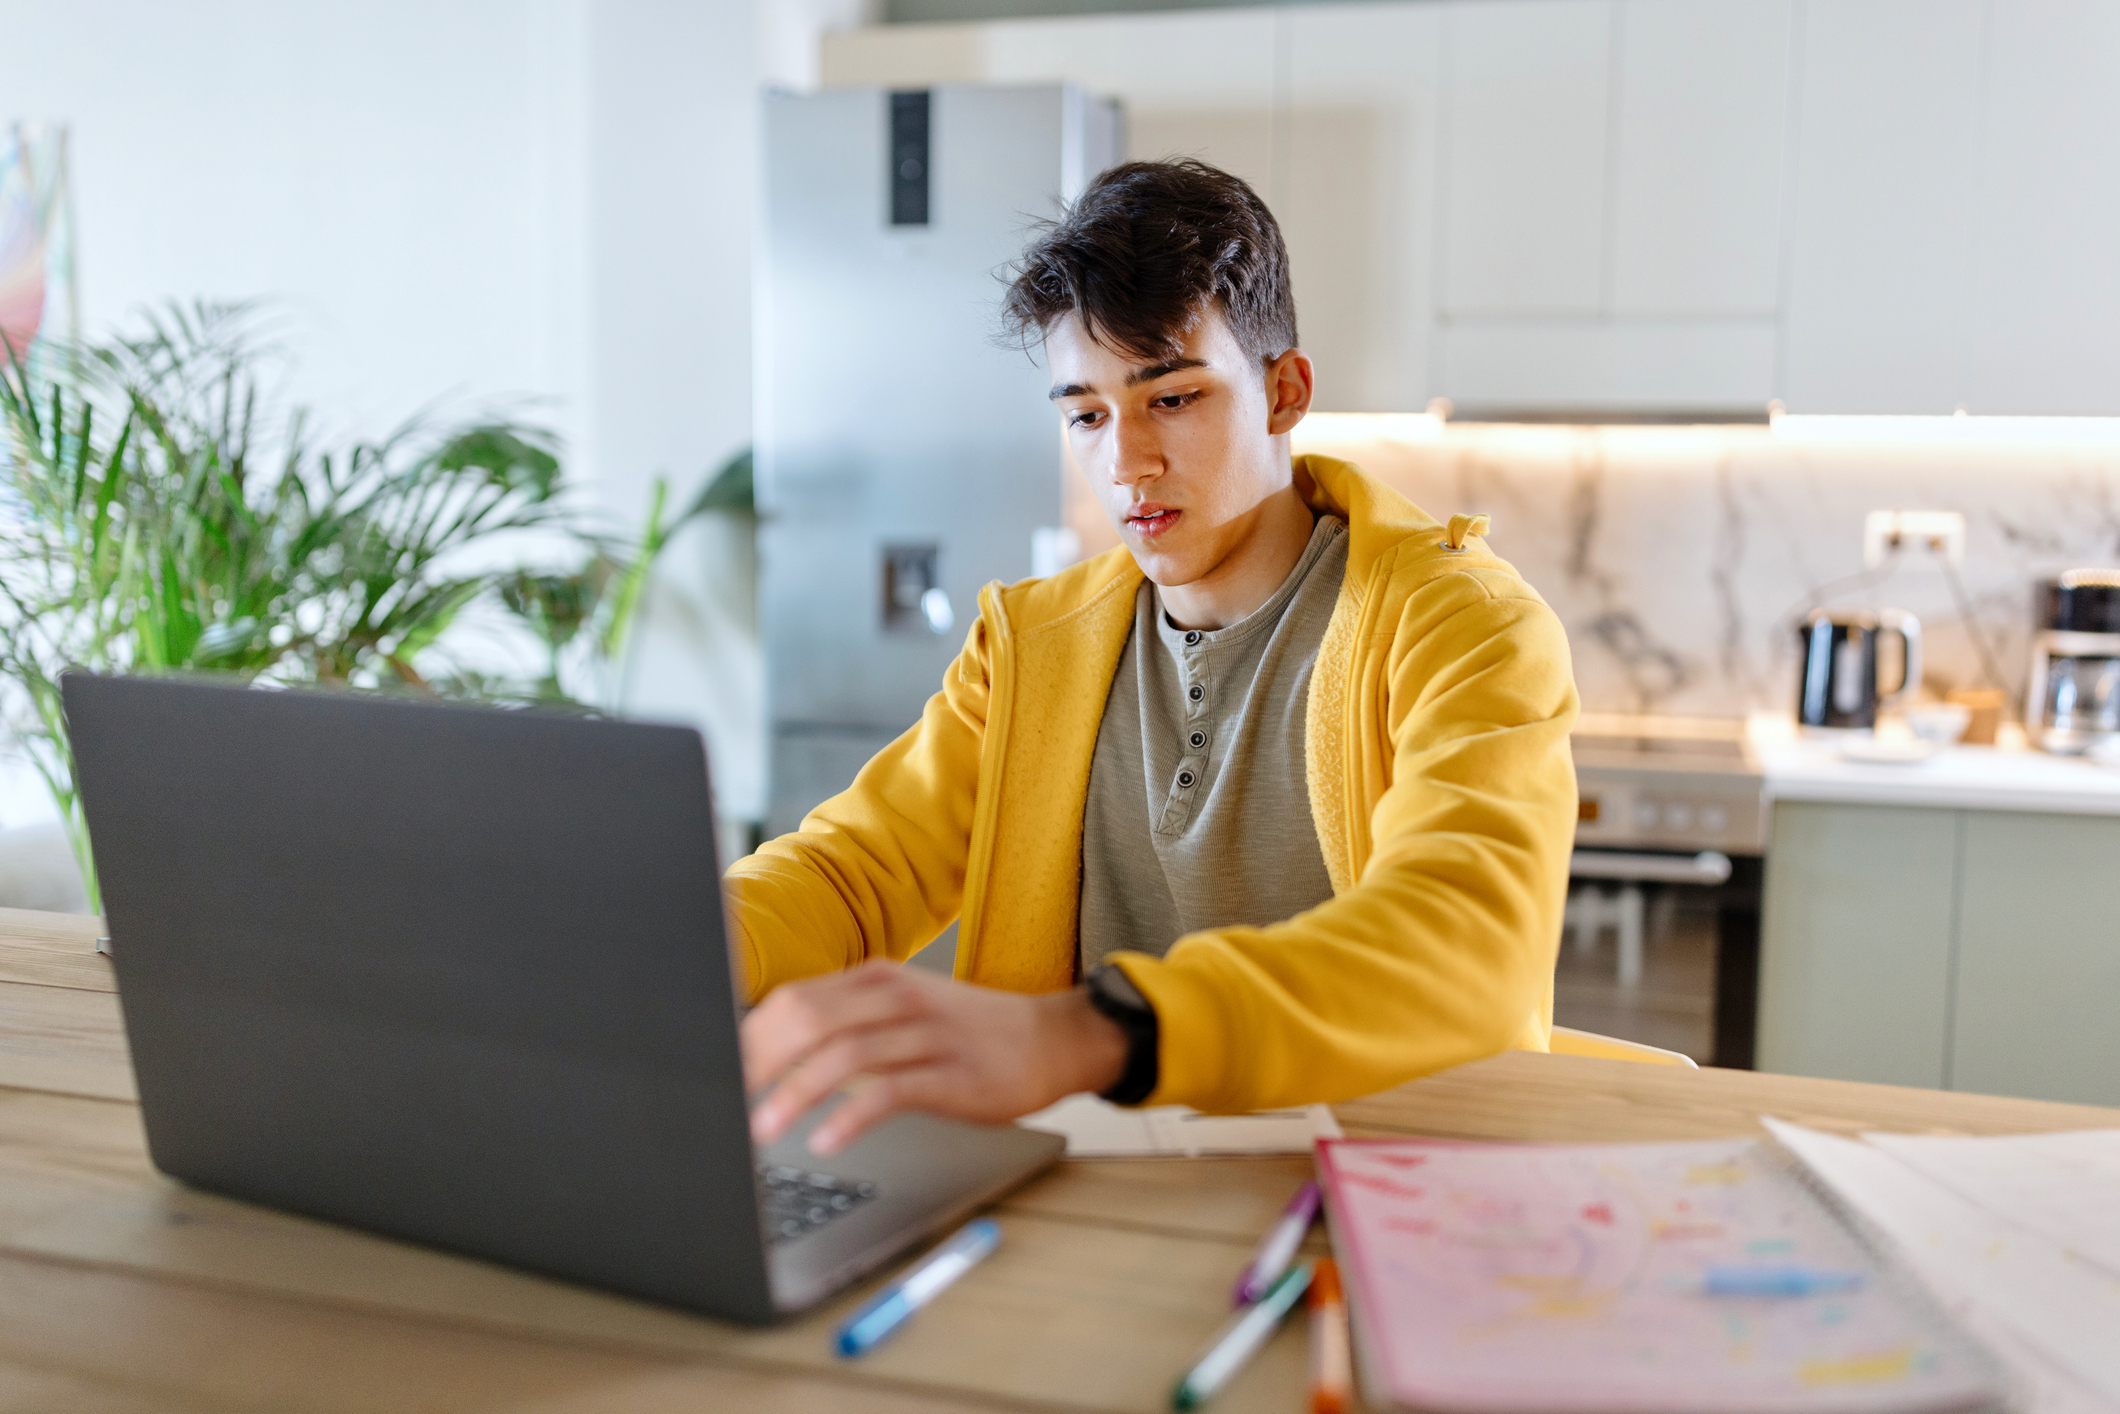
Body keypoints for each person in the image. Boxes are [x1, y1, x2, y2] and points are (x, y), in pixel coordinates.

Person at [733, 159, 1578, 1157]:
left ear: (1283, 391)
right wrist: (658, 948)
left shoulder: (1462, 625)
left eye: (1170, 399)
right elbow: (853, 877)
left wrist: (1083, 1034)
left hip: (1388, 1184)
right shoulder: (1029, 647)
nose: (1124, 463)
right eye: (1085, 415)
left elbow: (1463, 942)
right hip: (1091, 1192)